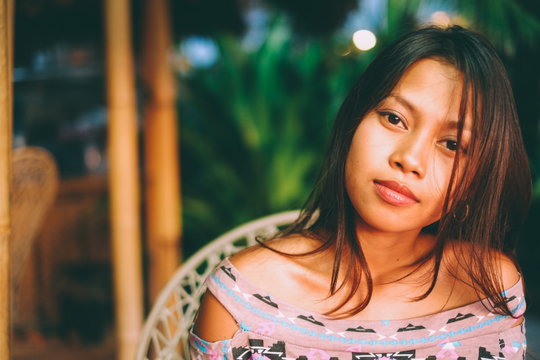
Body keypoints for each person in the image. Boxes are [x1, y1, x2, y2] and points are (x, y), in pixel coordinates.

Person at [190, 25, 531, 360]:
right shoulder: (244, 300)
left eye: (453, 144)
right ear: (352, 123)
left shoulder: (490, 289)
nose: (409, 159)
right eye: (394, 119)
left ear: (474, 182)